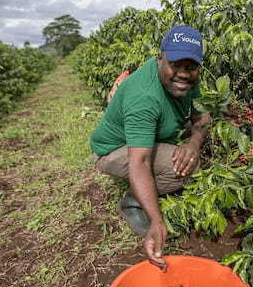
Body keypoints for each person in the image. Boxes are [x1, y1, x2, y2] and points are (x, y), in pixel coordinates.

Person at [90, 26, 211, 271]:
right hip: (114, 150)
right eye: (175, 65)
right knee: (191, 167)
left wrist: (192, 143)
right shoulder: (144, 97)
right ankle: (133, 201)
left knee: (195, 150)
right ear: (160, 59)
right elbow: (140, 161)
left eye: (191, 66)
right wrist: (156, 220)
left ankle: (145, 186)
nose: (184, 74)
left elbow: (203, 119)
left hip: (152, 136)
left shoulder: (190, 78)